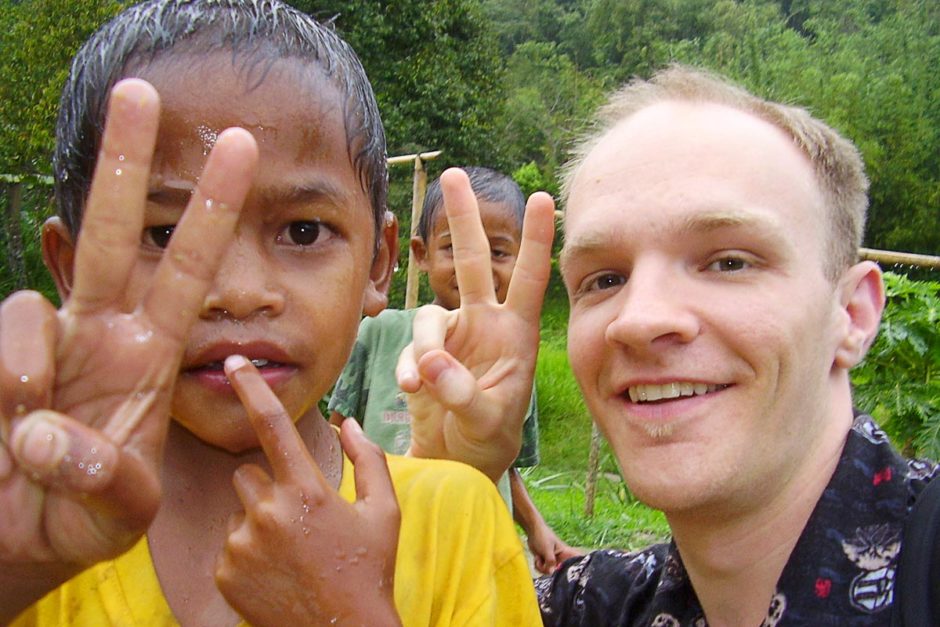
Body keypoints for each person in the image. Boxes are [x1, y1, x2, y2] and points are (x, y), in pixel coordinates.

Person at [0, 1, 547, 625]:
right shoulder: (31, 524)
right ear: (71, 267)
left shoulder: (456, 521)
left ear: (379, 262)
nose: (239, 292)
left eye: (304, 231)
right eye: (165, 234)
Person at [396, 65, 938, 625]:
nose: (639, 319)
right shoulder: (591, 609)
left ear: (852, 314)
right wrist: (447, 485)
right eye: (605, 279)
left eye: (729, 263)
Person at [328, 166, 579, 575]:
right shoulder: (378, 333)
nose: (474, 263)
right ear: (421, 253)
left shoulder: (514, 359)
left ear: (521, 260)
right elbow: (337, 433)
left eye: (499, 252)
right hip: (386, 545)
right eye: (453, 247)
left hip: (476, 548)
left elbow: (504, 460)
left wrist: (537, 528)